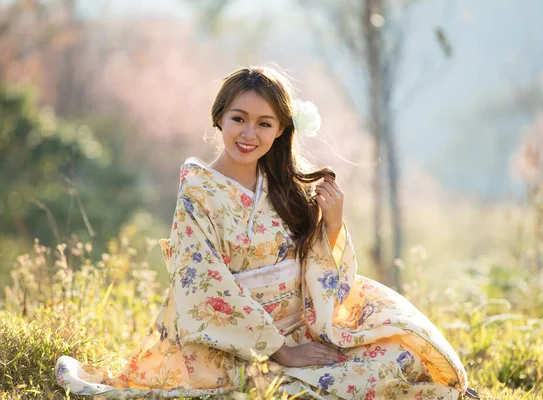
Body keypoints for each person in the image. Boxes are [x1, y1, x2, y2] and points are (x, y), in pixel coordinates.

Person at [56, 66, 478, 399]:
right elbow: (202, 284)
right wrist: (280, 349)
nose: (249, 133)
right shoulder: (198, 188)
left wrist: (331, 224)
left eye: (264, 123)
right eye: (239, 118)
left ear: (280, 130)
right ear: (220, 118)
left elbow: (316, 270)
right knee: (291, 388)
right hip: (230, 341)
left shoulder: (284, 188)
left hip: (300, 327)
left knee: (399, 354)